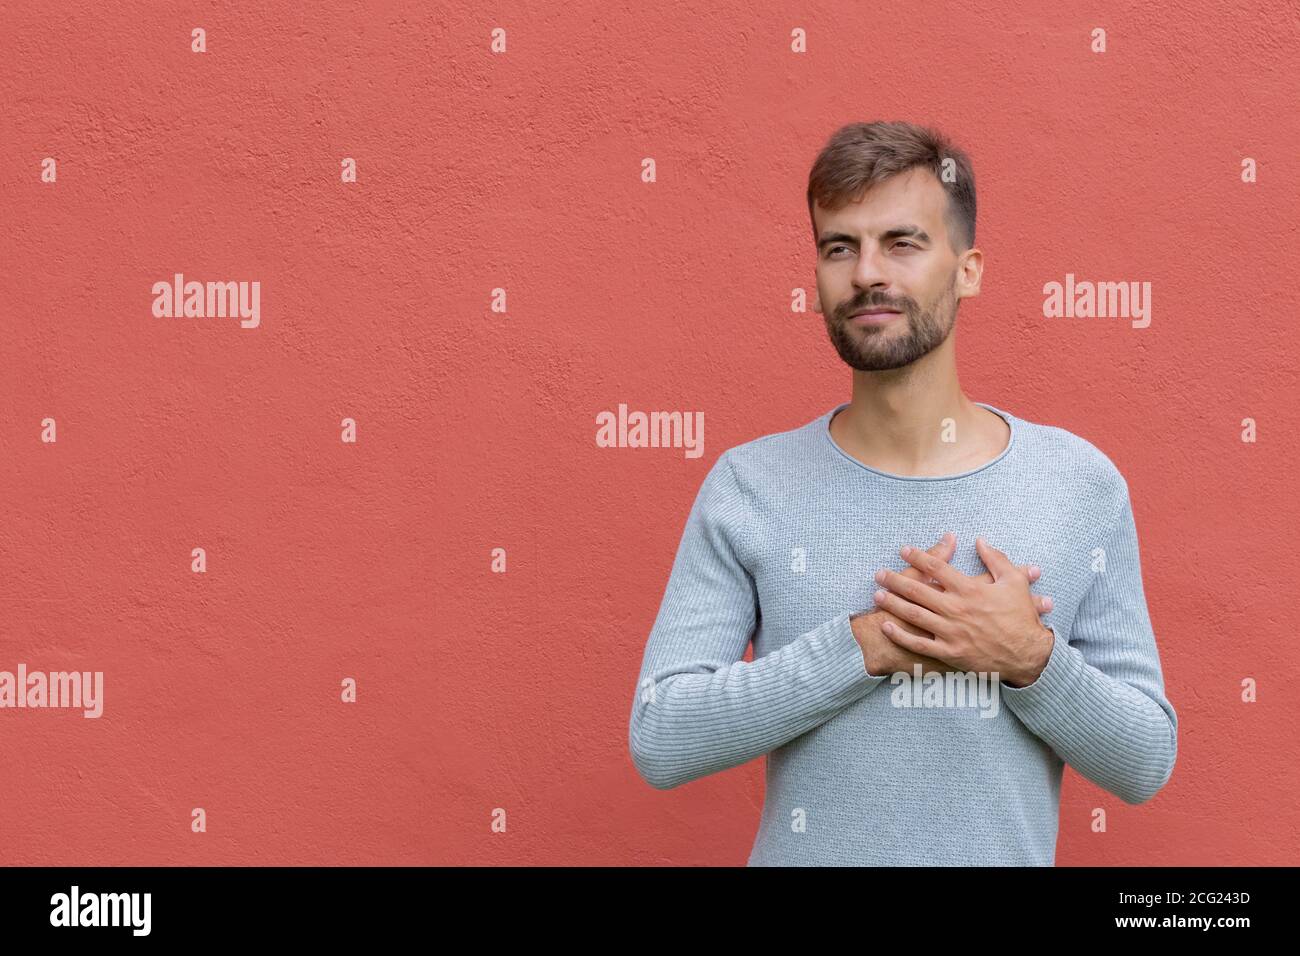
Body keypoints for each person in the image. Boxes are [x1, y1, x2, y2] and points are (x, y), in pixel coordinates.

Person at [627, 120, 1177, 866]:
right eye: (839, 247)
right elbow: (662, 736)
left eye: (903, 243)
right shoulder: (749, 485)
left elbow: (1145, 761)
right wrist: (868, 647)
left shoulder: (1077, 484)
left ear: (969, 269)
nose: (866, 275)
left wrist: (1028, 658)